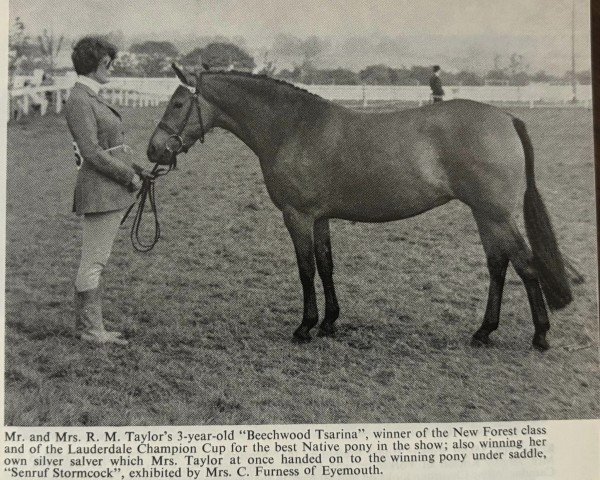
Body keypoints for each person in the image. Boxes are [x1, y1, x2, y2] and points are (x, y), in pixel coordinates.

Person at [65, 36, 151, 345]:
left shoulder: (91, 96)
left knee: (98, 259)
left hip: (108, 188)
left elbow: (110, 146)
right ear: (95, 64)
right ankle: (89, 330)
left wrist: (137, 169)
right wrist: (129, 176)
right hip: (99, 190)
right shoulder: (79, 100)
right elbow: (91, 152)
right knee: (94, 260)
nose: (111, 68)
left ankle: (92, 327)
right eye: (107, 63)